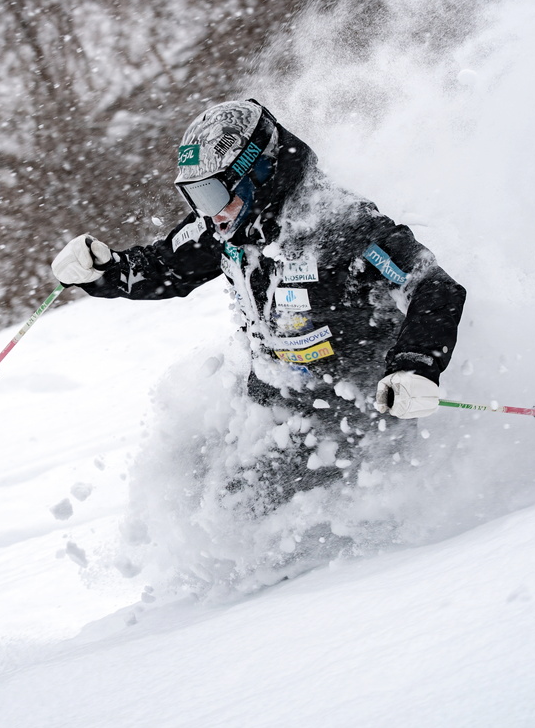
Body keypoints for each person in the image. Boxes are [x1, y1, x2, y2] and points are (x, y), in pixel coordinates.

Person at [52, 99, 465, 504]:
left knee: (244, 516)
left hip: (355, 418)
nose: (208, 214)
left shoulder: (341, 224)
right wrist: (104, 270)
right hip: (273, 408)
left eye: (212, 194)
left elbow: (432, 287)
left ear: (260, 169)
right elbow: (166, 268)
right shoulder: (229, 226)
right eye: (194, 198)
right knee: (191, 490)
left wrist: (415, 364)